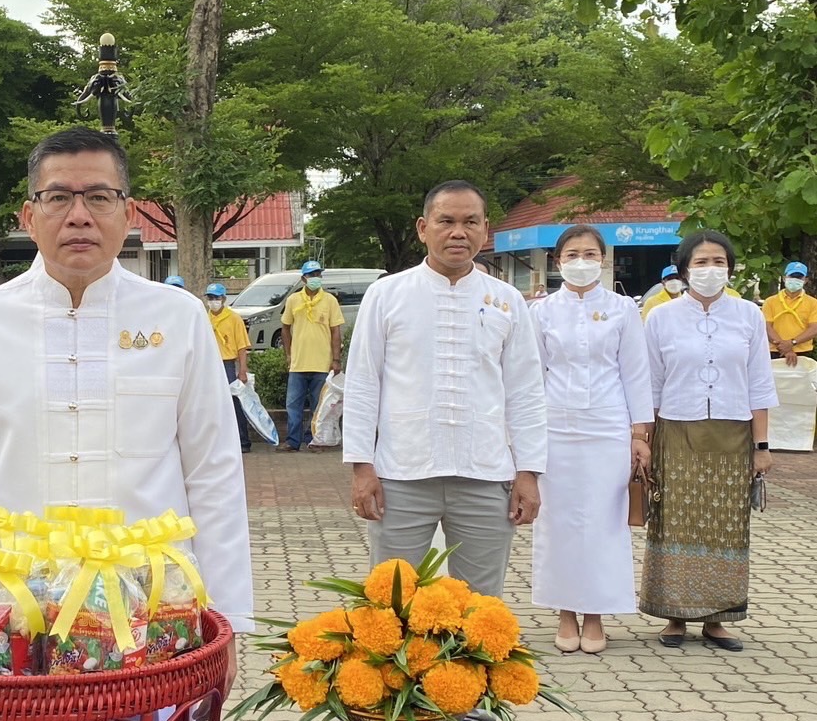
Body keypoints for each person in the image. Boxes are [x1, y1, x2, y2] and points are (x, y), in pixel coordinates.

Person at [0, 126, 253, 673]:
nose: (79, 216)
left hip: (156, 610)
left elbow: (214, 473)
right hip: (13, 613)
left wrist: (228, 620)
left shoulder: (179, 317)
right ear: (29, 216)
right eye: (58, 197)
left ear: (128, 213)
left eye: (99, 196)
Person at [343, 180, 547, 597]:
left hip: (485, 474)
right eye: (446, 221)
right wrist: (362, 467)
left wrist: (528, 472)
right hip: (402, 473)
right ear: (423, 228)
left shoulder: (506, 301)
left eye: (470, 222)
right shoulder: (386, 295)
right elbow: (363, 383)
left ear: (485, 229)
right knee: (393, 601)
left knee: (480, 606)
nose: (458, 232)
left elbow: (526, 392)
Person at [642, 230, 777, 651]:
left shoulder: (748, 315)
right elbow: (651, 386)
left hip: (733, 435)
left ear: (730, 269)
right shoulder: (661, 317)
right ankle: (674, 616)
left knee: (726, 527)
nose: (710, 270)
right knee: (676, 523)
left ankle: (719, 618)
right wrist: (644, 441)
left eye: (719, 262)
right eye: (701, 262)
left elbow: (759, 383)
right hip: (675, 433)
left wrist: (762, 447)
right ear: (684, 269)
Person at [529, 226, 654, 654]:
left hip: (608, 426)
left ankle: (596, 613)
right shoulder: (541, 312)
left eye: (589, 254)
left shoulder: (623, 309)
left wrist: (640, 433)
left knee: (604, 521)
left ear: (603, 260)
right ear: (557, 261)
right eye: (572, 254)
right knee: (559, 520)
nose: (581, 262)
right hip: (555, 427)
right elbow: (532, 375)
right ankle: (565, 611)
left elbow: (635, 372)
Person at [279, 260, 343, 452]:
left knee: (320, 406)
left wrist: (336, 359)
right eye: (311, 275)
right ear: (303, 279)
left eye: (318, 275)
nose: (316, 278)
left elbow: (336, 331)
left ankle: (316, 440)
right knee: (293, 406)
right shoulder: (293, 300)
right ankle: (293, 441)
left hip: (322, 363)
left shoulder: (330, 300)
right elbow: (285, 328)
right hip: (298, 363)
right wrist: (288, 354)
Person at [205, 281, 252, 453]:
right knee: (212, 404)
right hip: (210, 365)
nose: (213, 301)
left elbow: (242, 347)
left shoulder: (234, 319)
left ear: (223, 299)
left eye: (216, 298)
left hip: (227, 365)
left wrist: (242, 370)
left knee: (234, 402)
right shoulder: (204, 318)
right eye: (210, 298)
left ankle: (243, 440)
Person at [762, 261, 817, 366]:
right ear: (784, 278)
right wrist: (785, 348)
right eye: (792, 276)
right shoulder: (770, 301)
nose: (795, 280)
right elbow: (766, 326)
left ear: (805, 280)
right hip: (774, 351)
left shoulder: (813, 303)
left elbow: (814, 329)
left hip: (802, 352)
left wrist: (792, 343)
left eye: (799, 277)